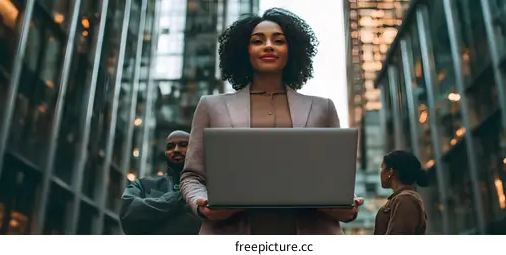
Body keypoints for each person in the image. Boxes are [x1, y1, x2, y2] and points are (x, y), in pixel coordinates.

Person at [180, 8, 363, 235]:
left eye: (278, 41)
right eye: (258, 41)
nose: (268, 46)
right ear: (244, 50)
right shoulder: (210, 106)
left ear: (291, 50)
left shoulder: (322, 108)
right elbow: (192, 176)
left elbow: (336, 177)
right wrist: (202, 204)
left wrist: (348, 203)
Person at [119, 131, 201, 234]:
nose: (176, 150)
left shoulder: (207, 187)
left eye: (183, 145)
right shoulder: (143, 185)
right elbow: (128, 213)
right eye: (170, 146)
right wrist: (179, 196)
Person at [374, 150, 428, 235]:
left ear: (390, 172)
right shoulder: (402, 198)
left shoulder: (406, 199)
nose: (380, 172)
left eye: (382, 167)